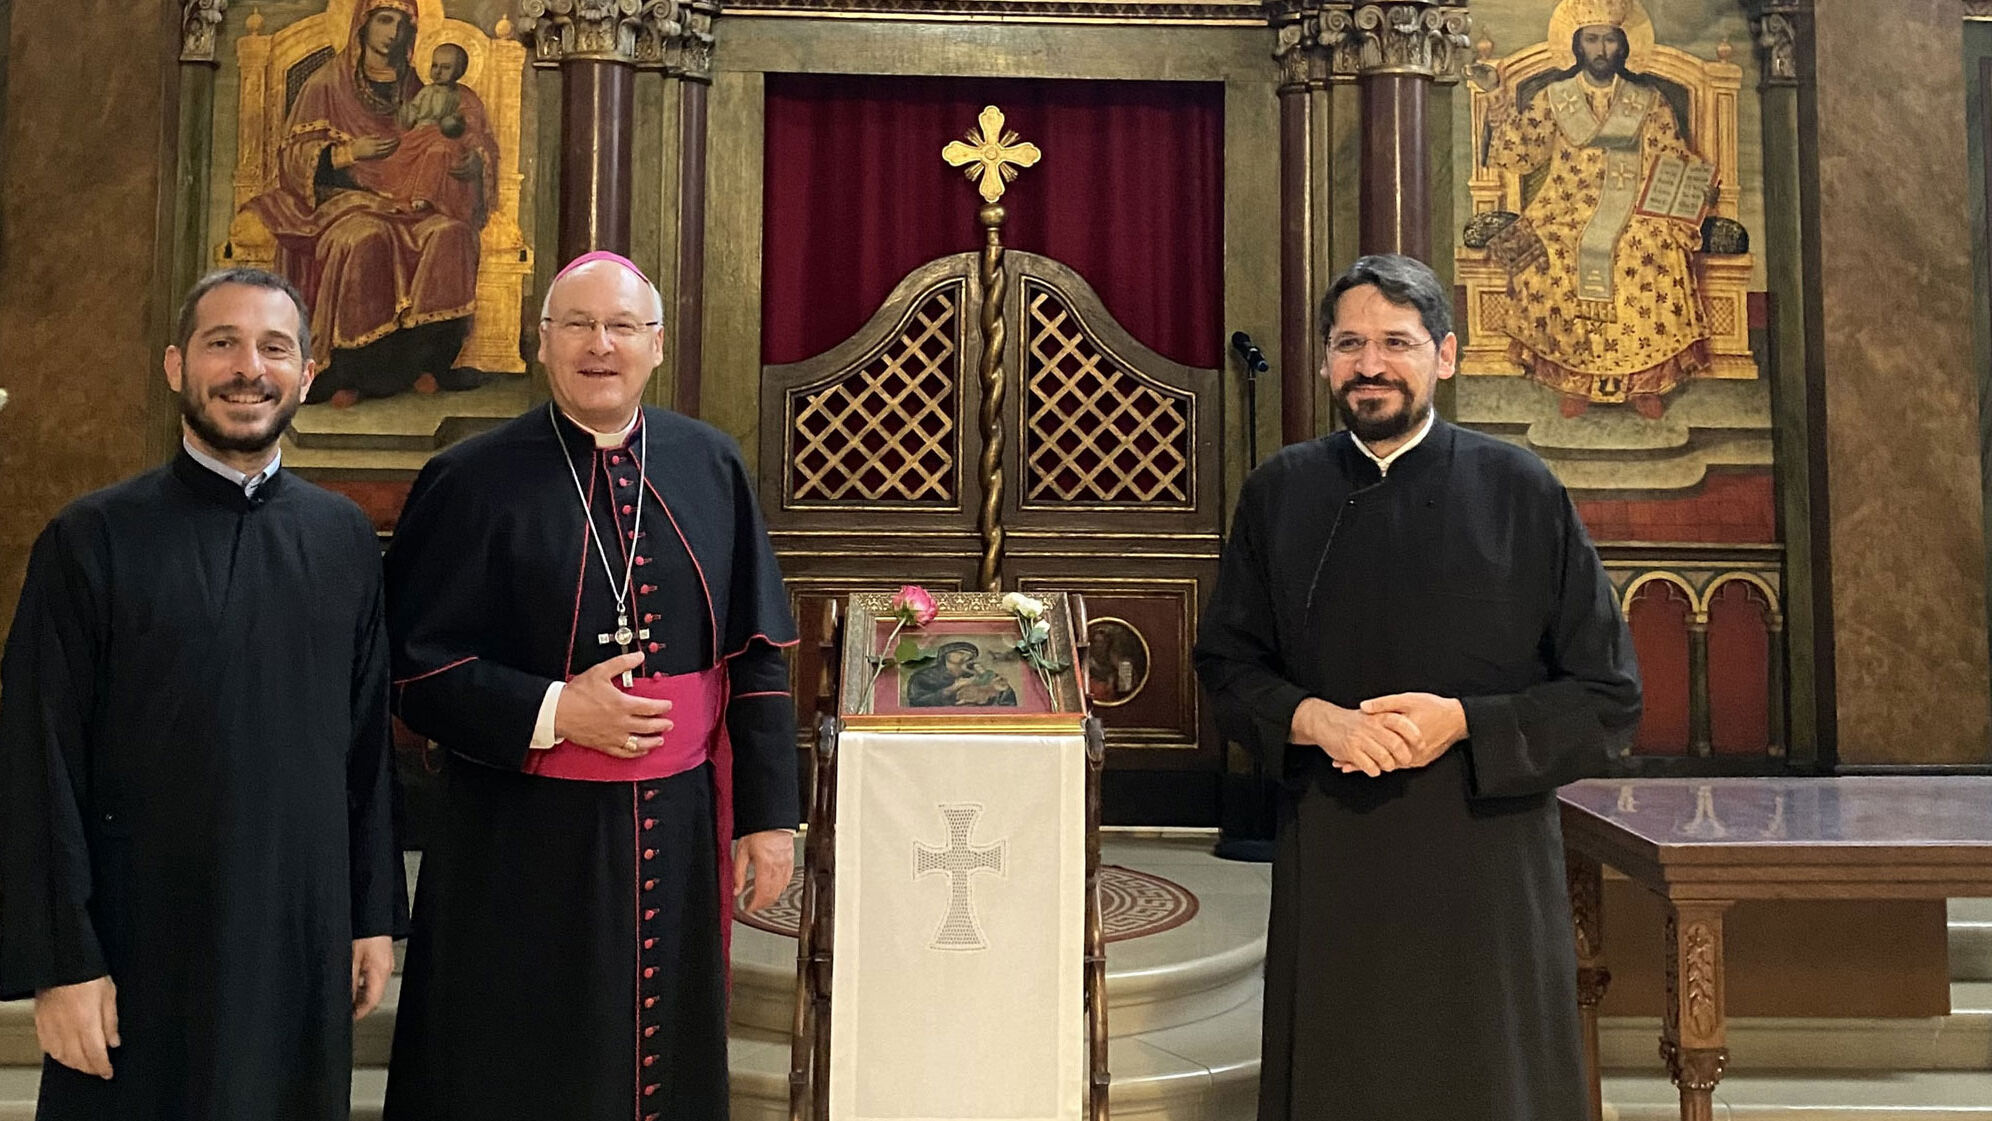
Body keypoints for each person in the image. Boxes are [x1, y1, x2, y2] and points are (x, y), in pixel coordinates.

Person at [1193, 254, 1641, 1120]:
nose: (1370, 364)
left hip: (1488, 865)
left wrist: (1465, 722)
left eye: (1396, 342)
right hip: (1338, 853)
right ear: (1324, 359)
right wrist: (1311, 717)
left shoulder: (1523, 491)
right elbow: (1225, 665)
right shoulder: (1279, 493)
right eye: (1349, 343)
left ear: (1446, 355)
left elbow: (1609, 694)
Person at [381, 251, 799, 1121]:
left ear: (655, 345)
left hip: (678, 827)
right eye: (577, 325)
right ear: (542, 344)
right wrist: (555, 710)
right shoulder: (468, 478)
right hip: (517, 841)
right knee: (522, 1061)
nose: (599, 345)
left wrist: (767, 817)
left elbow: (756, 657)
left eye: (621, 327)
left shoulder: (709, 464)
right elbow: (415, 668)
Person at [0, 267, 403, 1120]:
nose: (247, 368)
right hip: (136, 940)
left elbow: (364, 748)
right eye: (222, 344)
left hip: (298, 928)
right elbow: (35, 762)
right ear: (177, 365)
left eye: (273, 347)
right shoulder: (90, 539)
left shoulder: (343, 542)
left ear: (308, 371)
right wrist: (62, 961)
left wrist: (370, 913)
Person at [242, 1, 494, 407]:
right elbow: (292, 160)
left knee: (452, 235)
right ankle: (349, 371)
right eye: (384, 20)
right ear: (362, 24)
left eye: (401, 23)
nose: (392, 32)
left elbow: (458, 135)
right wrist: (345, 153)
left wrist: (470, 158)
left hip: (410, 200)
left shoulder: (418, 88)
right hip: (338, 203)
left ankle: (428, 364)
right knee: (366, 240)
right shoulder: (326, 85)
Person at [1482, 0, 1712, 419]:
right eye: (1592, 39)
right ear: (1577, 45)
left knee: (1651, 250)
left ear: (1623, 46)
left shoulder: (1649, 100)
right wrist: (1501, 120)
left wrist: (1691, 182)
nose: (1601, 49)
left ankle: (1643, 381)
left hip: (1638, 211)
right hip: (1565, 206)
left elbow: (1672, 156)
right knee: (1553, 249)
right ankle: (1575, 380)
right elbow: (1521, 154)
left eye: (1609, 39)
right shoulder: (1555, 98)